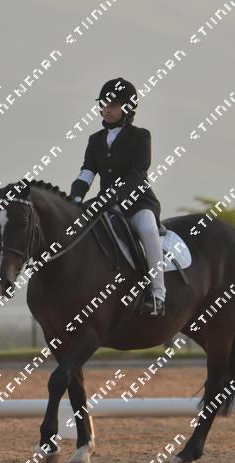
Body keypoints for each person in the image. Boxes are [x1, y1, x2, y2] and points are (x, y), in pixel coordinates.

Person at [69, 77, 166, 316]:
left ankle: (158, 295)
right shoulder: (95, 140)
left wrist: (112, 197)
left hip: (138, 202)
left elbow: (137, 174)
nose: (107, 109)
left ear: (127, 107)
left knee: (148, 229)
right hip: (106, 205)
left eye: (113, 105)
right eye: (104, 104)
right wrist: (76, 197)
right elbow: (87, 171)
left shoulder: (141, 136)